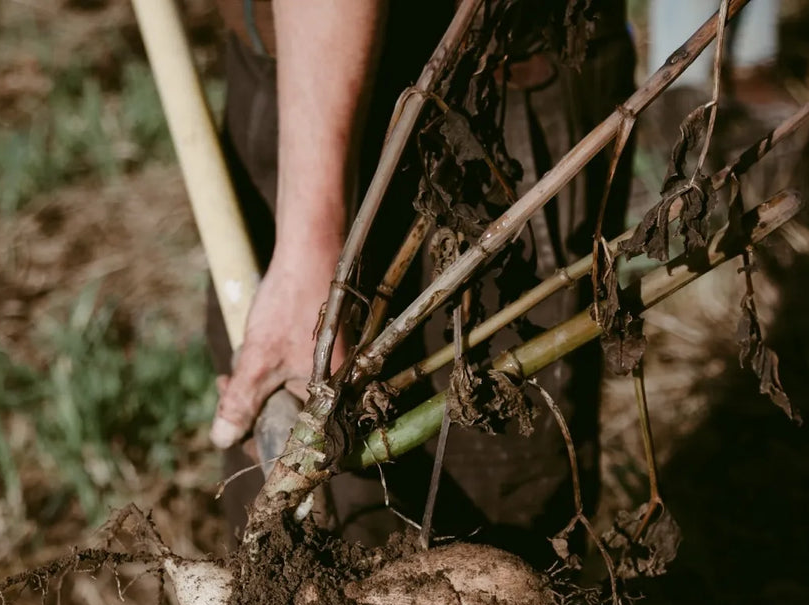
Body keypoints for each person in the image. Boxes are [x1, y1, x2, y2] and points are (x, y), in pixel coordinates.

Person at [204, 0, 636, 550]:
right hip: (288, 80)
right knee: (285, 549)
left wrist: (308, 245)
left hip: (491, 104)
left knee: (493, 533)